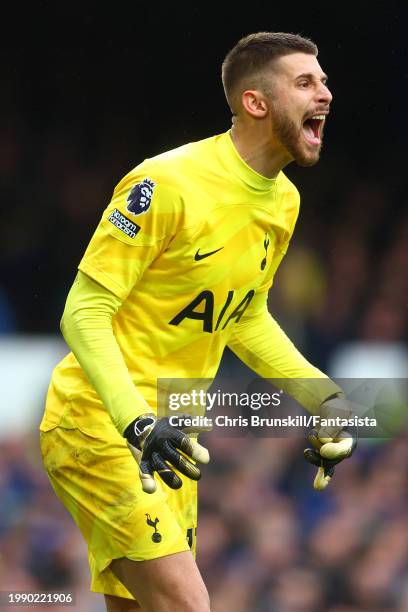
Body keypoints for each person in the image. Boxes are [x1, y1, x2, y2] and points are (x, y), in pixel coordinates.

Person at [40, 32, 356, 611]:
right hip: (103, 423)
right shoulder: (167, 183)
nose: (326, 94)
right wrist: (136, 423)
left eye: (325, 81)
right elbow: (83, 311)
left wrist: (325, 399)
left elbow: (245, 317)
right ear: (256, 103)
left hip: (175, 431)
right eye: (306, 82)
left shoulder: (283, 201)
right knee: (189, 606)